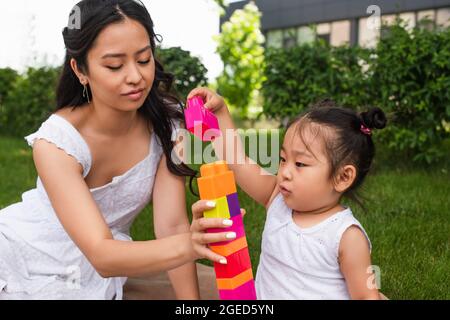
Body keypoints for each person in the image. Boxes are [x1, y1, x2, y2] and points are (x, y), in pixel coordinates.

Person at [0, 0, 233, 300]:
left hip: (101, 263)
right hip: (25, 251)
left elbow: (172, 224)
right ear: (80, 70)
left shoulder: (167, 126)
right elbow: (101, 254)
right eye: (114, 65)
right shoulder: (56, 143)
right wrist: (190, 244)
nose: (135, 76)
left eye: (144, 59)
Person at [188, 88, 386, 299]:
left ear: (343, 177)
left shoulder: (347, 236)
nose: (285, 172)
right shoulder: (277, 199)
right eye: (283, 159)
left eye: (300, 163)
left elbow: (366, 296)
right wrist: (220, 113)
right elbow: (237, 160)